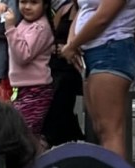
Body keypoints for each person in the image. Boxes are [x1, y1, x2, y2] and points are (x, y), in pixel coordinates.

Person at [60, 0, 135, 159]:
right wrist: (72, 41)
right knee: (100, 129)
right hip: (92, 52)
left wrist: (73, 45)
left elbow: (103, 17)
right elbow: (83, 9)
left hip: (111, 50)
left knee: (110, 130)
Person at [4, 0, 55, 136]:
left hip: (36, 90)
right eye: (23, 2)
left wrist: (10, 28)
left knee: (25, 134)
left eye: (34, 2)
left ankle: (37, 156)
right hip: (23, 89)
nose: (27, 7)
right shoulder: (24, 23)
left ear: (45, 5)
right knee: (25, 133)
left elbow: (23, 55)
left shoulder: (40, 27)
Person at [41, 0, 85, 146]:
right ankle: (69, 134)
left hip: (75, 66)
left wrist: (70, 47)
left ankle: (55, 137)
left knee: (61, 87)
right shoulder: (64, 9)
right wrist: (54, 48)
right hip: (55, 64)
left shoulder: (87, 11)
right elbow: (49, 35)